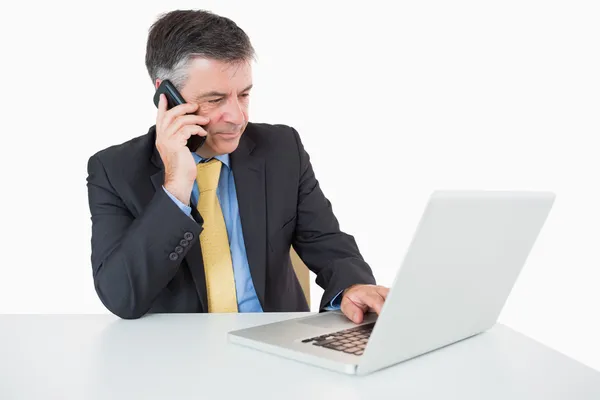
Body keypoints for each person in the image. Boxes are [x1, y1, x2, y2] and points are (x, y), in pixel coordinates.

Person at [86, 9, 389, 321]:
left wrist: (353, 285)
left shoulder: (282, 148)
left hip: (276, 345)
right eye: (215, 100)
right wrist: (176, 187)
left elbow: (326, 241)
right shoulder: (113, 171)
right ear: (166, 95)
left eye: (243, 95)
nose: (238, 117)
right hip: (179, 358)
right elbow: (122, 296)